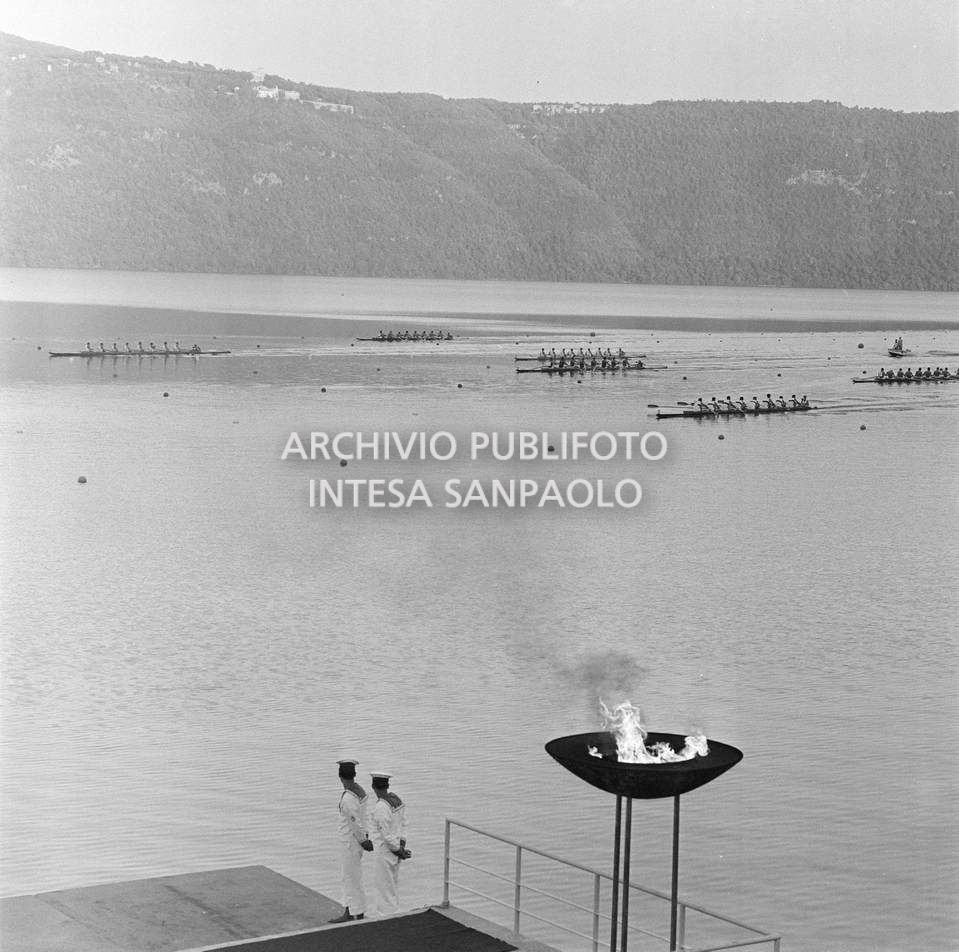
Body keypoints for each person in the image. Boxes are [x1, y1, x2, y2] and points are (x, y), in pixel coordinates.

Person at [328, 759, 374, 924]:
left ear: (340, 777)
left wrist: (363, 840)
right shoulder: (360, 791)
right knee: (351, 876)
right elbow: (364, 817)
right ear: (354, 775)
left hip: (350, 841)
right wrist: (365, 837)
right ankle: (352, 909)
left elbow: (354, 821)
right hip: (354, 841)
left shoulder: (348, 797)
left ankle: (355, 912)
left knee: (350, 877)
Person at [368, 772, 410, 917]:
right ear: (387, 785)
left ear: (373, 787)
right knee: (392, 885)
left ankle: (387, 917)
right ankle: (394, 912)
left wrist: (398, 850)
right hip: (397, 847)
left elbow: (385, 835)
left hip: (386, 851)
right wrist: (402, 845)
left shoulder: (381, 807)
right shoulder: (397, 800)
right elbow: (404, 823)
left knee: (384, 887)